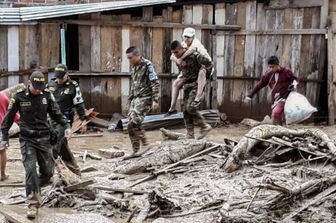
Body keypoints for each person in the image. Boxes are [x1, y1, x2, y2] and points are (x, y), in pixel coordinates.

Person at [1, 71, 70, 219]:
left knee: (48, 172)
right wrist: (4, 136)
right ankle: (32, 204)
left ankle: (33, 188)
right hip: (28, 139)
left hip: (44, 138)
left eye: (40, 87)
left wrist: (67, 125)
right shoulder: (19, 96)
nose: (38, 90)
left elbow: (56, 113)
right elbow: (8, 118)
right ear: (29, 83)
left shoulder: (46, 95)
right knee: (30, 170)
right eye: (36, 87)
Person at [47, 64, 86, 176]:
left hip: (64, 121)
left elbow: (79, 103)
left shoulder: (73, 86)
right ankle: (75, 171)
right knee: (62, 147)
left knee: (54, 147)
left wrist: (82, 121)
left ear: (67, 74)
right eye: (57, 77)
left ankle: (48, 174)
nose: (59, 80)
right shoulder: (50, 84)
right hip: (50, 120)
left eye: (61, 77)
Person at [170, 40, 212, 139]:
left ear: (181, 49)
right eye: (173, 52)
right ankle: (190, 134)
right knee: (185, 110)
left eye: (176, 52)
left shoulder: (194, 55)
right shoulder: (178, 58)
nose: (175, 55)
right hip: (187, 85)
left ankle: (204, 126)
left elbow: (208, 62)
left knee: (190, 107)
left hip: (197, 84)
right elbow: (183, 70)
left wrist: (204, 72)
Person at [166, 27, 212, 116]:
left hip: (205, 66)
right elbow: (172, 56)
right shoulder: (182, 44)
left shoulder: (196, 43)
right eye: (185, 37)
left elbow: (192, 50)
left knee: (202, 71)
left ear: (193, 37)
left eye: (189, 37)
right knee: (176, 83)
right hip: (190, 70)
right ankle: (172, 108)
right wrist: (177, 60)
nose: (187, 39)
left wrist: (181, 59)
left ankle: (198, 97)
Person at [244, 56, 298, 125]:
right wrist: (250, 95)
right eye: (269, 67)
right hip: (275, 99)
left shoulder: (287, 72)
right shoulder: (269, 74)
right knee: (276, 116)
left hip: (286, 97)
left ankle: (281, 129)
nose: (270, 69)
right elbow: (259, 85)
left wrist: (294, 86)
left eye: (272, 67)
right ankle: (280, 130)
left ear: (278, 65)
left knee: (276, 113)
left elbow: (295, 80)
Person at [126, 46, 159, 155]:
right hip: (136, 98)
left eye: (130, 58)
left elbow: (155, 82)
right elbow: (134, 84)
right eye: (128, 58)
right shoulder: (134, 67)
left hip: (145, 97)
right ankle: (136, 150)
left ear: (137, 55)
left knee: (134, 121)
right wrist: (130, 98)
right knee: (130, 125)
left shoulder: (147, 65)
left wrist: (155, 100)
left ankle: (145, 144)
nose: (129, 60)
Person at [0, 92, 20, 181]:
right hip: (2, 128)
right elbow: (13, 112)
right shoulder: (3, 96)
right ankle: (2, 174)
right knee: (2, 151)